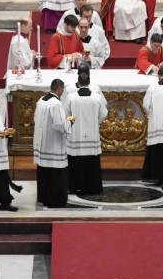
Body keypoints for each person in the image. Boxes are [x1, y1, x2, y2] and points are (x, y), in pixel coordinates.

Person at [66, 72, 108, 196]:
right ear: (89, 83)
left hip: (76, 134)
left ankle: (74, 187)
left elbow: (66, 114)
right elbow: (104, 113)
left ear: (78, 83)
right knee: (91, 161)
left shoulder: (71, 97)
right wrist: (96, 122)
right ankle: (93, 187)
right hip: (92, 134)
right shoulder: (96, 97)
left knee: (75, 160)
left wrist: (72, 123)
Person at [34, 79, 73, 207]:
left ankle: (43, 197)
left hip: (43, 142)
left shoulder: (42, 100)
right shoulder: (56, 103)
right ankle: (55, 200)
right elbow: (59, 124)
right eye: (63, 89)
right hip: (53, 144)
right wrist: (69, 123)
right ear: (59, 88)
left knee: (44, 171)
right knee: (55, 173)